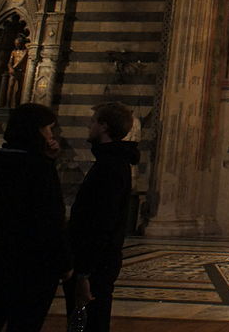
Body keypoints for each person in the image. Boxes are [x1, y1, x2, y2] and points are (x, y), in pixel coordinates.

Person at [0, 103, 69, 332]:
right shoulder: (37, 170)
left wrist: (46, 161)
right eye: (48, 129)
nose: (51, 135)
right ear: (35, 131)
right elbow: (51, 219)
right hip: (34, 266)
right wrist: (65, 265)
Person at [64, 102, 139, 332]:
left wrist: (84, 272)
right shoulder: (115, 162)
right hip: (98, 261)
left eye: (94, 120)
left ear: (104, 126)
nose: (89, 125)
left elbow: (100, 222)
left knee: (90, 323)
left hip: (95, 264)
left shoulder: (110, 166)